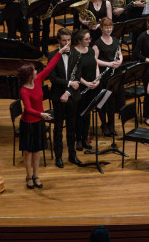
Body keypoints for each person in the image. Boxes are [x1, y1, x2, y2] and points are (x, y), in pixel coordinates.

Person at [18, 41, 70, 189]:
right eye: (34, 70)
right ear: (29, 75)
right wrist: (41, 114)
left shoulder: (38, 80)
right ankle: (28, 176)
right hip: (28, 123)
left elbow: (50, 66)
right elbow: (27, 109)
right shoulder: (24, 90)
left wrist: (61, 51)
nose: (36, 71)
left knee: (37, 150)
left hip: (39, 120)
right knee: (28, 152)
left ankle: (36, 175)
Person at [47, 28, 81, 169]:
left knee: (72, 127)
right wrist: (68, 84)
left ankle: (72, 155)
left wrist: (67, 92)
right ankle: (58, 156)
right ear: (58, 41)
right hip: (58, 96)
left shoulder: (76, 54)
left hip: (71, 96)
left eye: (69, 40)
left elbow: (77, 77)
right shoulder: (52, 55)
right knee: (58, 128)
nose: (67, 43)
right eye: (64, 41)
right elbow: (53, 78)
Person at [92, 18, 123, 138]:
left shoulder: (115, 40)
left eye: (110, 27)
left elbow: (120, 54)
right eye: (106, 27)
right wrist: (109, 64)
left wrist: (119, 61)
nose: (109, 29)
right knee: (103, 102)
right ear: (101, 28)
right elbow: (95, 60)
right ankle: (104, 125)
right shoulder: (97, 43)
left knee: (112, 101)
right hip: (104, 75)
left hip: (115, 74)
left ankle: (111, 125)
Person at [74, 29, 100, 152]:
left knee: (88, 113)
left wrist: (98, 80)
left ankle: (84, 138)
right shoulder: (74, 53)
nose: (89, 41)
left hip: (92, 86)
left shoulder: (90, 50)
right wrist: (86, 83)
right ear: (79, 41)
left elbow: (96, 65)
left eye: (90, 38)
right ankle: (78, 138)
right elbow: (74, 73)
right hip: (81, 87)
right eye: (86, 39)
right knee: (79, 113)